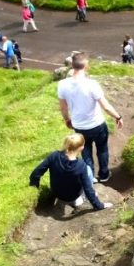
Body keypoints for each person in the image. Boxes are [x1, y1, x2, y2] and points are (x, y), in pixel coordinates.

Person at [57, 52, 124, 182]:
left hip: (79, 125)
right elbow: (106, 106)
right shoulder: (92, 84)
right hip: (97, 124)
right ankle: (104, 175)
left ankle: (90, 177)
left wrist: (67, 119)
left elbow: (63, 107)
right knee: (102, 149)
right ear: (86, 66)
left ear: (72, 65)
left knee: (85, 151)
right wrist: (118, 117)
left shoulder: (62, 84)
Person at [29, 133, 113, 212]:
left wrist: (34, 185)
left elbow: (36, 173)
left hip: (56, 193)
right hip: (73, 198)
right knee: (88, 169)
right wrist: (99, 205)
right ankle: (82, 199)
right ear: (81, 148)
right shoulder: (81, 166)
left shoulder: (54, 156)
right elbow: (88, 189)